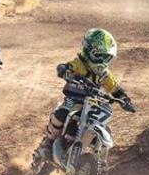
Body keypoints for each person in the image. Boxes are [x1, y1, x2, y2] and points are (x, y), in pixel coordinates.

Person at [34, 28, 135, 159]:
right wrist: (65, 71)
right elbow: (66, 66)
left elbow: (115, 89)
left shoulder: (104, 75)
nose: (104, 61)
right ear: (90, 51)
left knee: (106, 129)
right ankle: (48, 142)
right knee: (61, 114)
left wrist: (124, 100)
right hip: (74, 100)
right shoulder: (79, 64)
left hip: (92, 105)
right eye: (101, 55)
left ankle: (101, 163)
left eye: (107, 57)